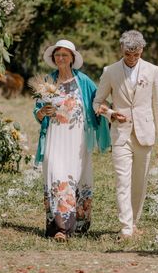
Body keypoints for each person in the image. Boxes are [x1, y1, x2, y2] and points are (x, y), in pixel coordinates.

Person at [93, 30, 158, 239]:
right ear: (122, 49)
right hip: (120, 134)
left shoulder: (153, 71)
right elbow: (97, 102)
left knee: (139, 182)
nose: (132, 59)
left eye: (136, 55)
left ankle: (134, 221)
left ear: (142, 50)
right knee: (122, 181)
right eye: (128, 54)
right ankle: (126, 227)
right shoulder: (110, 71)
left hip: (145, 133)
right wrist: (110, 113)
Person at [33, 39, 110, 241]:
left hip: (77, 139)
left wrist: (107, 112)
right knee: (56, 175)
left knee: (74, 177)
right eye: (57, 55)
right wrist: (42, 112)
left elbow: (97, 102)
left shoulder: (83, 81)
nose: (60, 58)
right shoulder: (47, 82)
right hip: (54, 137)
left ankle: (72, 226)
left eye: (64, 55)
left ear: (72, 59)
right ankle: (60, 228)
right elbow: (37, 113)